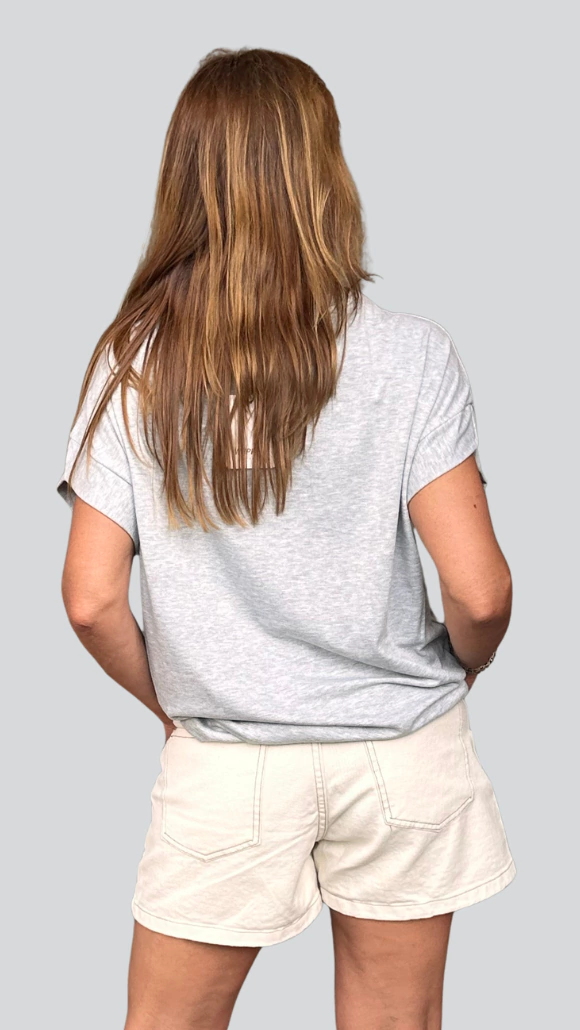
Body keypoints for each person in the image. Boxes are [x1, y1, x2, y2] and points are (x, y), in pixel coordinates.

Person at [57, 47, 515, 1030]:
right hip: (401, 750)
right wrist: (459, 668)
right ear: (324, 170)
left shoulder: (132, 365)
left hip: (228, 758)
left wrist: (177, 705)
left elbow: (91, 600)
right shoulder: (412, 356)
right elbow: (480, 592)